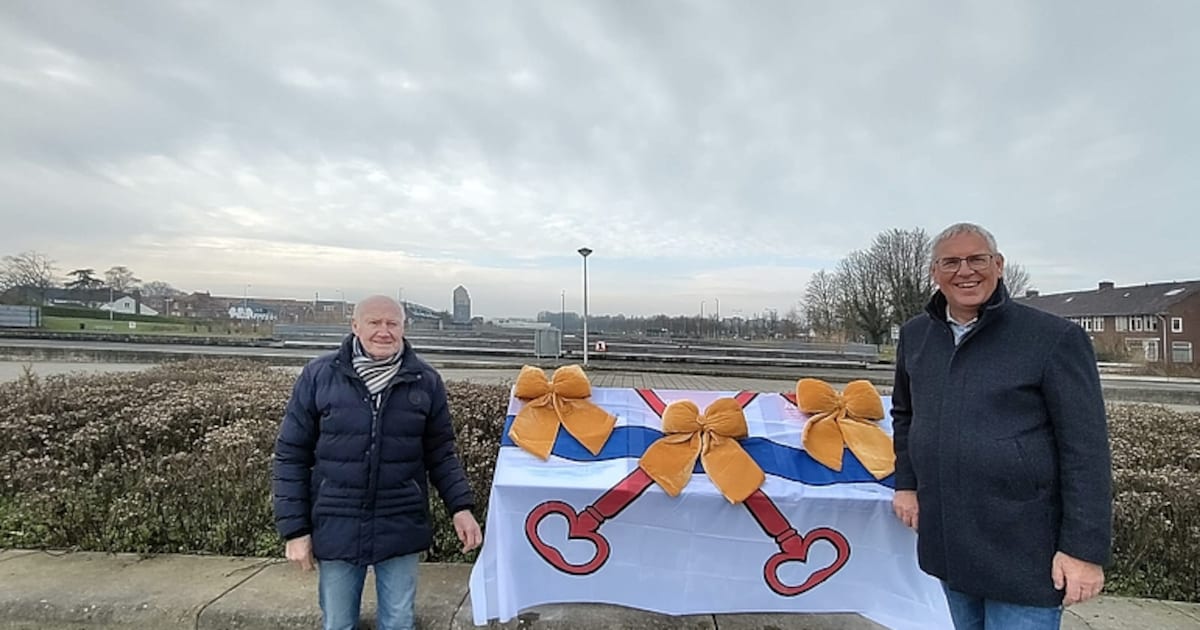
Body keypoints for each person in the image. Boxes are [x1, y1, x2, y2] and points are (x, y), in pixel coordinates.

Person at [890, 223, 1112, 629]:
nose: (965, 271)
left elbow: (1087, 449)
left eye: (977, 259)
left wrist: (1083, 550)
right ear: (934, 272)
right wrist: (905, 484)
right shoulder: (916, 336)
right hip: (949, 541)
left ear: (999, 265)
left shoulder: (1053, 338)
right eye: (951, 262)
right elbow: (906, 415)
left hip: (1024, 550)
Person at [273, 295, 482, 630]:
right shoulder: (318, 376)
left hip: (400, 519)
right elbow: (291, 455)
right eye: (374, 322)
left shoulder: (425, 381)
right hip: (336, 521)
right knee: (338, 623)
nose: (383, 331)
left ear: (403, 327)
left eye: (392, 323)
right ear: (355, 326)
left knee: (399, 621)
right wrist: (295, 531)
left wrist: (460, 507)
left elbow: (441, 453)